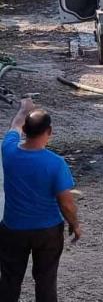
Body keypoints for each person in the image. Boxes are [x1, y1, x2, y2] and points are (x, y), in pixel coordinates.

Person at [0, 99, 80, 302]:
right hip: (47, 232)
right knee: (45, 280)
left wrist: (24, 108)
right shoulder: (55, 163)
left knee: (10, 279)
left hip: (12, 229)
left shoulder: (8, 151)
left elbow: (14, 125)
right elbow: (66, 203)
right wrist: (75, 225)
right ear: (49, 131)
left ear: (25, 129)